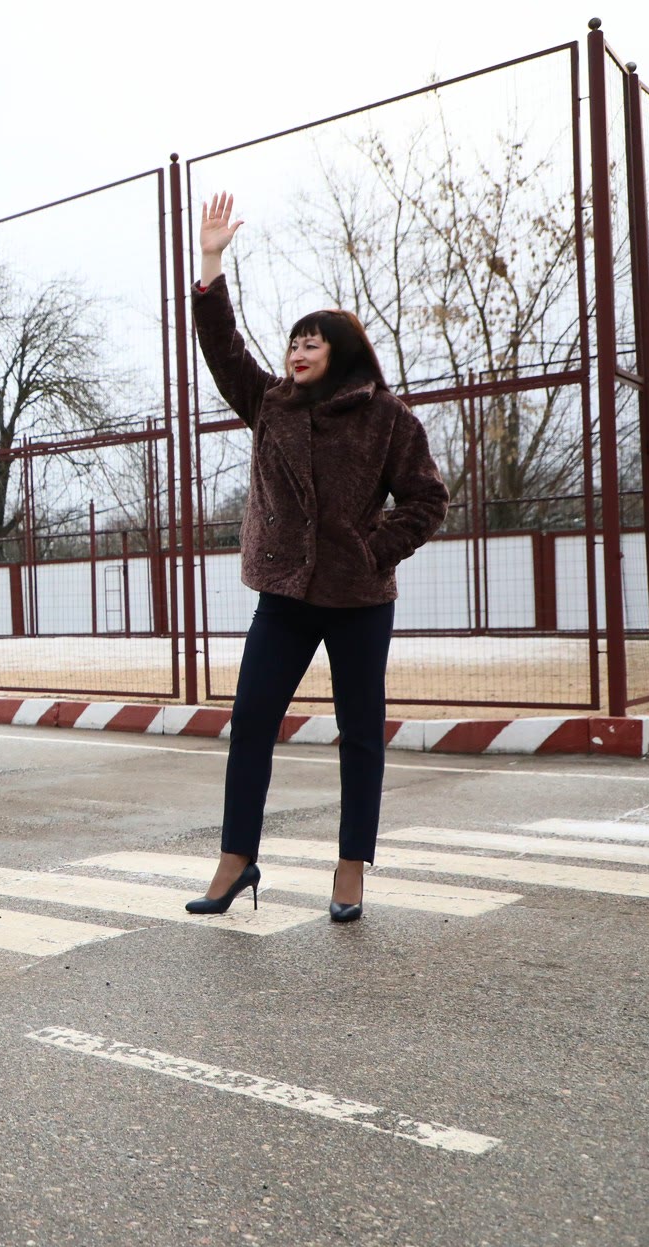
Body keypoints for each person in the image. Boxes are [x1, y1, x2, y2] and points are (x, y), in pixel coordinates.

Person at [185, 192, 449, 924]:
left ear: (341, 352)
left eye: (312, 342)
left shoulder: (388, 420)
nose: (296, 352)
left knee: (360, 734)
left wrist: (371, 550)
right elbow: (221, 347)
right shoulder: (271, 404)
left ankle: (350, 867)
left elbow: (427, 502)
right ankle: (237, 859)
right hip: (285, 596)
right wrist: (212, 261)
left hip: (359, 600)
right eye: (293, 342)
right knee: (251, 721)